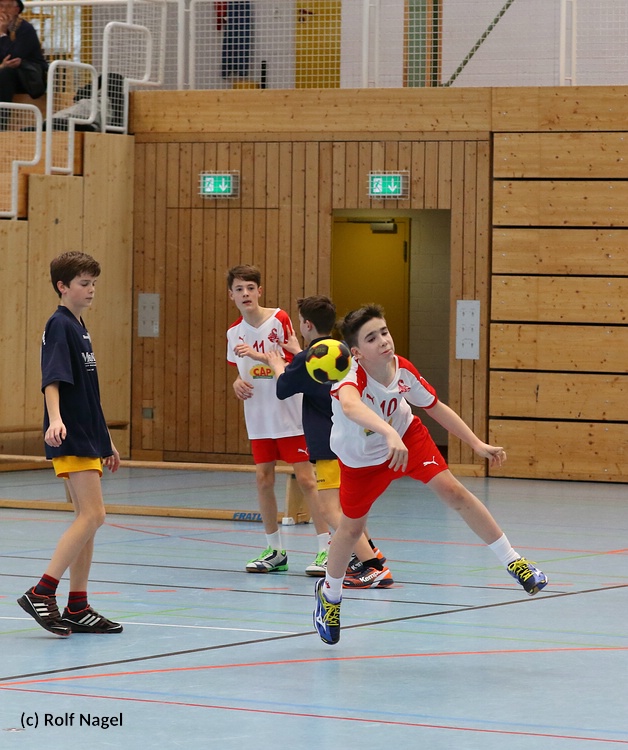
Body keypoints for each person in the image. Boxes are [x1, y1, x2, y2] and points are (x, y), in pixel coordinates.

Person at [313, 304, 548, 645]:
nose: (383, 341)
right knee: (351, 530)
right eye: (371, 338)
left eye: (384, 332)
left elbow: (435, 407)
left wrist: (476, 443)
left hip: (407, 438)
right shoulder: (349, 375)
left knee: (454, 492)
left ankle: (515, 562)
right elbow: (351, 406)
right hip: (361, 460)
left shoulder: (402, 370)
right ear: (357, 352)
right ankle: (330, 597)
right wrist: (386, 433)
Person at [17, 252, 122, 637]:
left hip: (88, 432)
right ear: (63, 287)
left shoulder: (80, 326)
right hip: (71, 432)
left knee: (87, 520)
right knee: (93, 515)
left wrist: (106, 438)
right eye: (83, 283)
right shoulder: (59, 325)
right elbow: (52, 378)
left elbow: (89, 392)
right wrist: (57, 419)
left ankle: (77, 605)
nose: (91, 290)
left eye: (93, 283)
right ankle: (42, 591)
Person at [266, 294, 393, 588]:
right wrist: (299, 353)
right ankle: (371, 551)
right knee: (351, 507)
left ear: (307, 325)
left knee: (330, 510)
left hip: (328, 444)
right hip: (354, 441)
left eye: (300, 322)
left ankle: (373, 568)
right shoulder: (344, 352)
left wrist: (276, 364)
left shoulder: (305, 360)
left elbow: (283, 388)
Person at [226, 265, 330, 574]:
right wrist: (236, 383)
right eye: (239, 289)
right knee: (263, 479)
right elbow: (240, 371)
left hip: (288, 414)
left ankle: (326, 549)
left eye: (250, 288)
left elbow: (296, 360)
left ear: (259, 291)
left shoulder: (279, 319)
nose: (245, 293)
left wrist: (259, 356)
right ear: (231, 295)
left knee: (307, 480)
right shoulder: (233, 333)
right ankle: (275, 551)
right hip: (258, 417)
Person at [0, 0, 47, 128]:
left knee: (5, 73)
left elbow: (11, 57)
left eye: (8, 6)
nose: (3, 10)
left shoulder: (25, 29)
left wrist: (2, 33)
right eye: (0, 6)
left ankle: (1, 125)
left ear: (17, 10)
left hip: (28, 78)